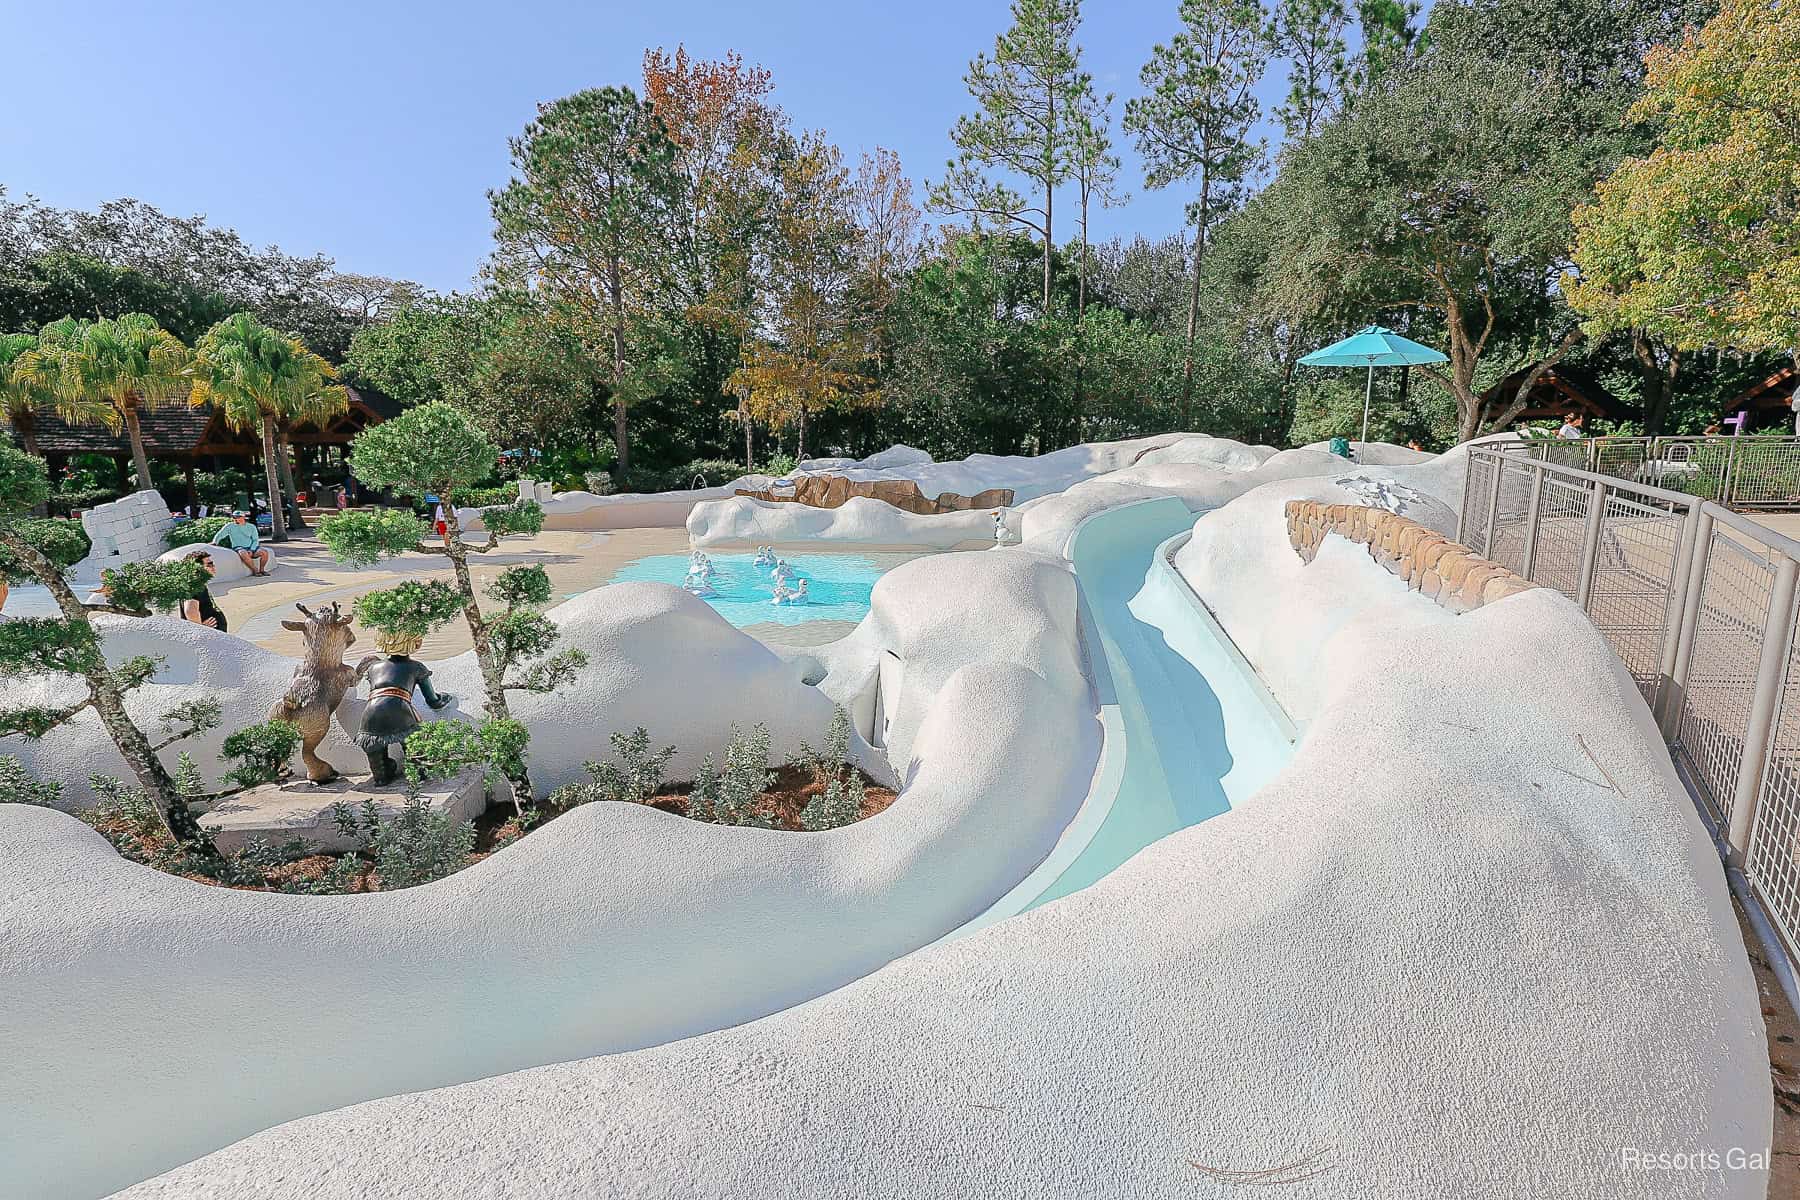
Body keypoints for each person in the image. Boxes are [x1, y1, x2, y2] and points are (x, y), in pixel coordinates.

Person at [356, 631, 454, 785]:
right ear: (413, 643)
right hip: (400, 711)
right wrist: (445, 698)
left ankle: (381, 777)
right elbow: (433, 701)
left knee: (377, 760)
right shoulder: (416, 667)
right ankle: (416, 774)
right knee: (415, 755)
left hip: (370, 715)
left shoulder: (373, 667)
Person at [179, 551, 227, 632]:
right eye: (209, 564)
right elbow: (190, 611)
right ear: (198, 568)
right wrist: (201, 629)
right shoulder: (195, 586)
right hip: (209, 639)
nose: (213, 566)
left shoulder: (198, 585)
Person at [213, 510, 271, 576]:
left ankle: (262, 570)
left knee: (264, 552)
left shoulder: (251, 527)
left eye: (237, 517)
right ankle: (255, 570)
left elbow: (255, 540)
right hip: (239, 547)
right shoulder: (229, 526)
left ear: (243, 517)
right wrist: (215, 542)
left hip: (252, 548)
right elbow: (220, 534)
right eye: (234, 517)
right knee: (243, 553)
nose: (235, 519)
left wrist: (251, 550)